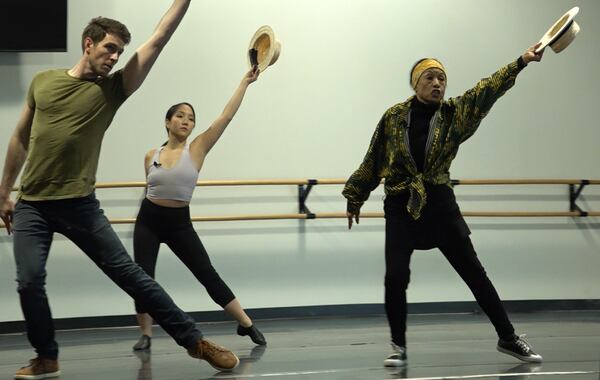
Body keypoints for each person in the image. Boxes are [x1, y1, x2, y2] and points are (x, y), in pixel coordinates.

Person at [0, 2, 240, 378]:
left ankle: (195, 341)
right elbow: (19, 138)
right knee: (29, 281)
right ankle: (46, 358)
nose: (114, 57)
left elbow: (158, 40)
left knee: (132, 276)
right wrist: (3, 193)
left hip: (80, 206)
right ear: (88, 44)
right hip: (32, 203)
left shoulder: (112, 90)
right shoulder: (43, 82)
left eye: (119, 52)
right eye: (109, 48)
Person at [342, 43, 547, 367]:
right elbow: (374, 158)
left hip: (439, 202)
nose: (437, 84)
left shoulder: (455, 113)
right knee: (396, 276)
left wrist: (521, 62)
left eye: (441, 79)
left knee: (474, 273)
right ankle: (398, 345)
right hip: (401, 204)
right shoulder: (394, 117)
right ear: (416, 83)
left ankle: (508, 338)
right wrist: (355, 195)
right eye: (430, 78)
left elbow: (487, 90)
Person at [131, 67, 266, 351]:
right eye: (180, 115)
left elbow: (225, 116)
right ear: (168, 122)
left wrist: (244, 82)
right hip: (148, 220)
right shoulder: (150, 155)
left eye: (191, 118)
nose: (186, 121)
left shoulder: (197, 149)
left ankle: (246, 323)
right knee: (142, 277)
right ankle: (145, 335)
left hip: (178, 222)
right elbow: (150, 190)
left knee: (207, 273)